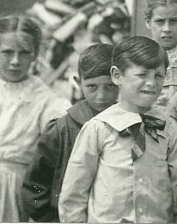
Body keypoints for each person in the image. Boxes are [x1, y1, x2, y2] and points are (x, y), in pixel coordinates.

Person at [58, 36, 177, 223]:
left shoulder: (169, 128)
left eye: (158, 75)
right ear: (117, 75)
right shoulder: (98, 128)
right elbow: (74, 194)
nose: (151, 83)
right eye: (142, 75)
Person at [0, 15, 70, 222]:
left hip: (21, 189)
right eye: (7, 52)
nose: (15, 61)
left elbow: (54, 152)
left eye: (24, 53)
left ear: (34, 55)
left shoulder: (46, 101)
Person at [21, 43, 118, 222]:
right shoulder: (62, 129)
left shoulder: (127, 125)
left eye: (110, 86)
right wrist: (48, 217)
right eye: (92, 87)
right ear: (78, 82)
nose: (101, 96)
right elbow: (35, 182)